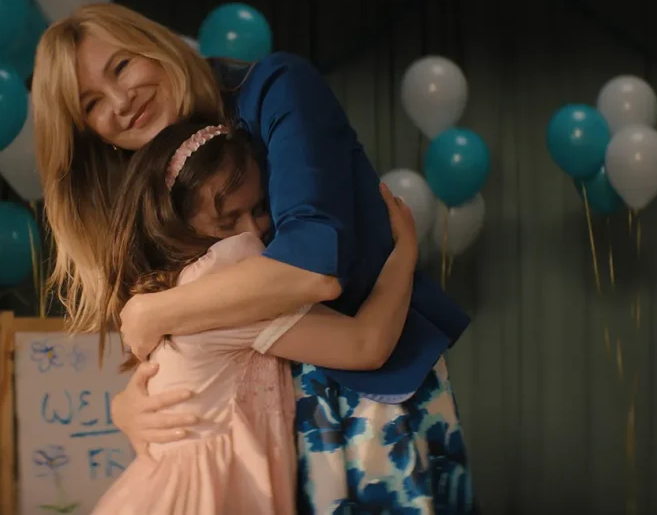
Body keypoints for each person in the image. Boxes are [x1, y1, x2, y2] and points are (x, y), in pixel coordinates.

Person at [32, 3, 474, 513]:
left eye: (121, 67)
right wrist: (129, 403)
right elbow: (185, 346)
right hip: (250, 442)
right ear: (91, 135)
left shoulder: (274, 87)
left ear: (156, 44)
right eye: (91, 104)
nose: (120, 100)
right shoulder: (146, 193)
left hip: (364, 399)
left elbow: (312, 265)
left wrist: (153, 313)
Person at [91, 120, 418, 515]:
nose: (252, 232)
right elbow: (366, 345)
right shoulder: (229, 270)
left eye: (260, 209)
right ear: (175, 221)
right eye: (228, 221)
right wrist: (405, 255)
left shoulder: (177, 283)